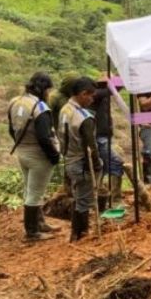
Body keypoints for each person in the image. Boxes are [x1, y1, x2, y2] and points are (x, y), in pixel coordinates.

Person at [7, 72, 61, 241]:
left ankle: (40, 223)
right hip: (38, 155)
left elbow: (11, 129)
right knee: (35, 193)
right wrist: (54, 156)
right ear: (44, 89)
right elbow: (44, 137)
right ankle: (32, 232)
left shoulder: (15, 102)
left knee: (31, 190)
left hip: (22, 152)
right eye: (48, 90)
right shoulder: (40, 108)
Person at [57, 77, 102, 241]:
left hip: (68, 158)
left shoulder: (65, 109)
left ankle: (77, 232)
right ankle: (80, 233)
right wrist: (97, 165)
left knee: (78, 196)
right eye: (91, 96)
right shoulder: (83, 117)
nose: (92, 99)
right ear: (83, 94)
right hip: (81, 162)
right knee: (84, 199)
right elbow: (91, 147)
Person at [92, 76, 125, 210]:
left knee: (103, 168)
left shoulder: (102, 95)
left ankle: (102, 199)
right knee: (115, 163)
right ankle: (115, 200)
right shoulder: (97, 94)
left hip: (103, 137)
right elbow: (116, 87)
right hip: (100, 138)